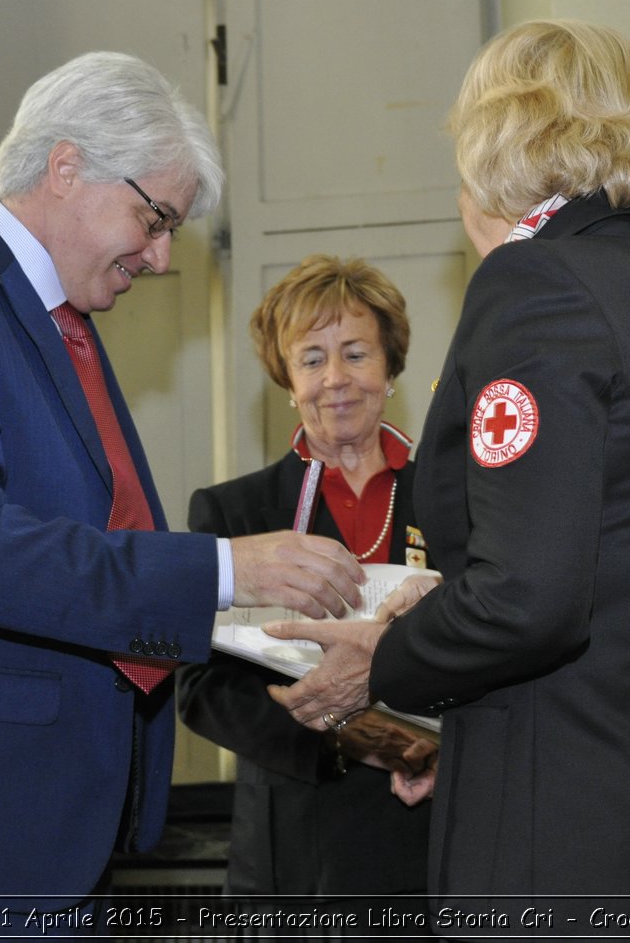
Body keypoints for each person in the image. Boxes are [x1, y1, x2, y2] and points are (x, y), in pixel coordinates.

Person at [0, 52, 364, 937]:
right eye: (155, 216)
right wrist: (222, 566)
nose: (164, 255)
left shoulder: (69, 331)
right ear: (67, 168)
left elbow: (88, 553)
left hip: (61, 815)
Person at [266, 20, 630, 932]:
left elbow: (531, 600)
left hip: (583, 838)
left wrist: (385, 660)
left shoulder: (537, 286)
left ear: (493, 141)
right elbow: (617, 570)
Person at [175, 255, 436, 927]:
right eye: (312, 359)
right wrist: (353, 735)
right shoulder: (234, 512)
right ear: (286, 380)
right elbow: (202, 690)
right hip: (297, 844)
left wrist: (446, 746)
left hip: (437, 826)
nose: (336, 379)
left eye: (355, 353)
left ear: (390, 365)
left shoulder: (454, 497)